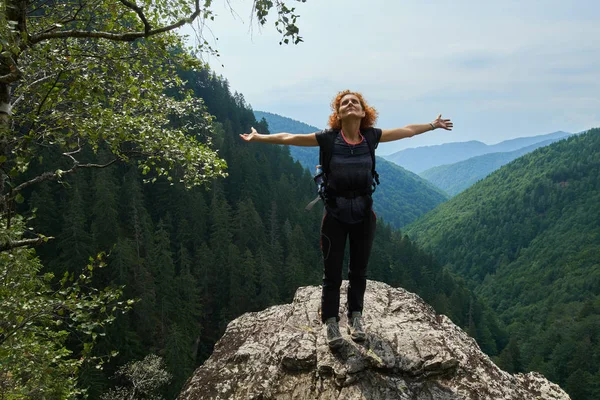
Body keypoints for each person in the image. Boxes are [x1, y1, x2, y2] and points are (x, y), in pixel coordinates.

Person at [240, 90, 453, 349]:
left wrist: (433, 125)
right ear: (338, 114)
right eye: (344, 103)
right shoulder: (328, 140)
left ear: (363, 112)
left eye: (355, 102)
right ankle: (330, 321)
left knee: (358, 270)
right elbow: (290, 138)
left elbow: (406, 130)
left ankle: (355, 318)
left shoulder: (371, 137)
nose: (350, 104)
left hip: (364, 214)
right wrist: (259, 137)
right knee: (332, 273)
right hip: (335, 215)